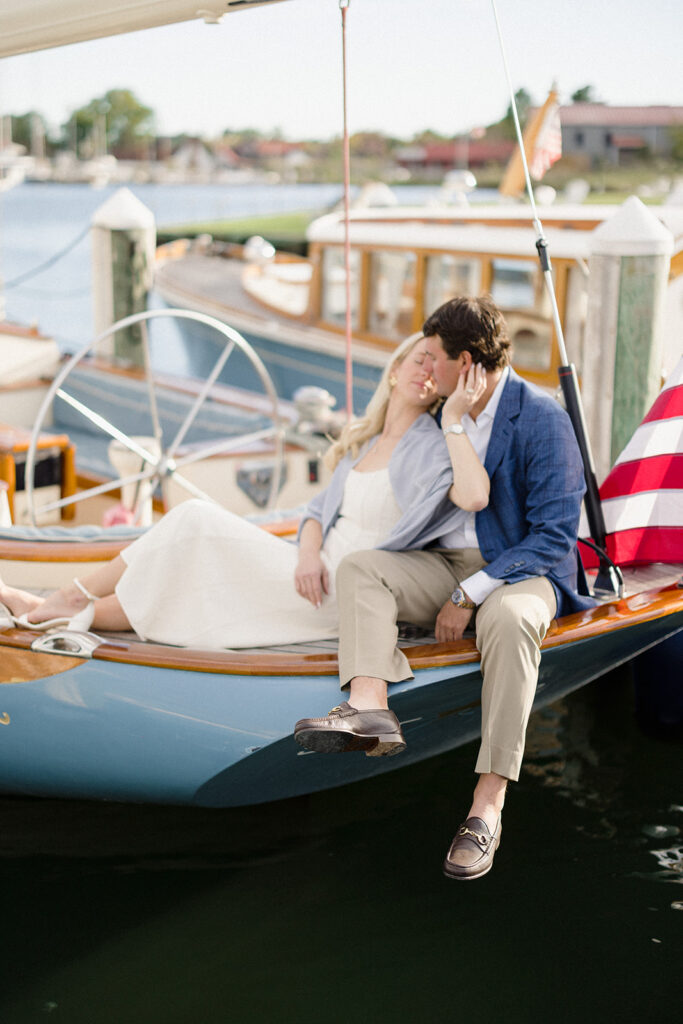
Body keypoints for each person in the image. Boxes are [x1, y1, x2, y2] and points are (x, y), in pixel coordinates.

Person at [294, 295, 594, 880]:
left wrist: (471, 592)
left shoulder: (542, 418)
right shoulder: (440, 415)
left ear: (467, 364)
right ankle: (370, 710)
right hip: (441, 563)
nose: (425, 368)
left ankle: (487, 807)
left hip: (519, 568)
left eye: (433, 357)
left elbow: (556, 536)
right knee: (361, 566)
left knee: (508, 622)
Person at [0, 333, 489, 651]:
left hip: (351, 593)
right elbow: (318, 512)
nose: (427, 369)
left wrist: (453, 421)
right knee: (190, 568)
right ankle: (53, 610)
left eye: (438, 368)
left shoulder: (431, 446)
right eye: (420, 357)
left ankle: (66, 596)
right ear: (394, 369)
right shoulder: (362, 440)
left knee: (194, 519)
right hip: (312, 572)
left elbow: (470, 497)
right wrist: (307, 553)